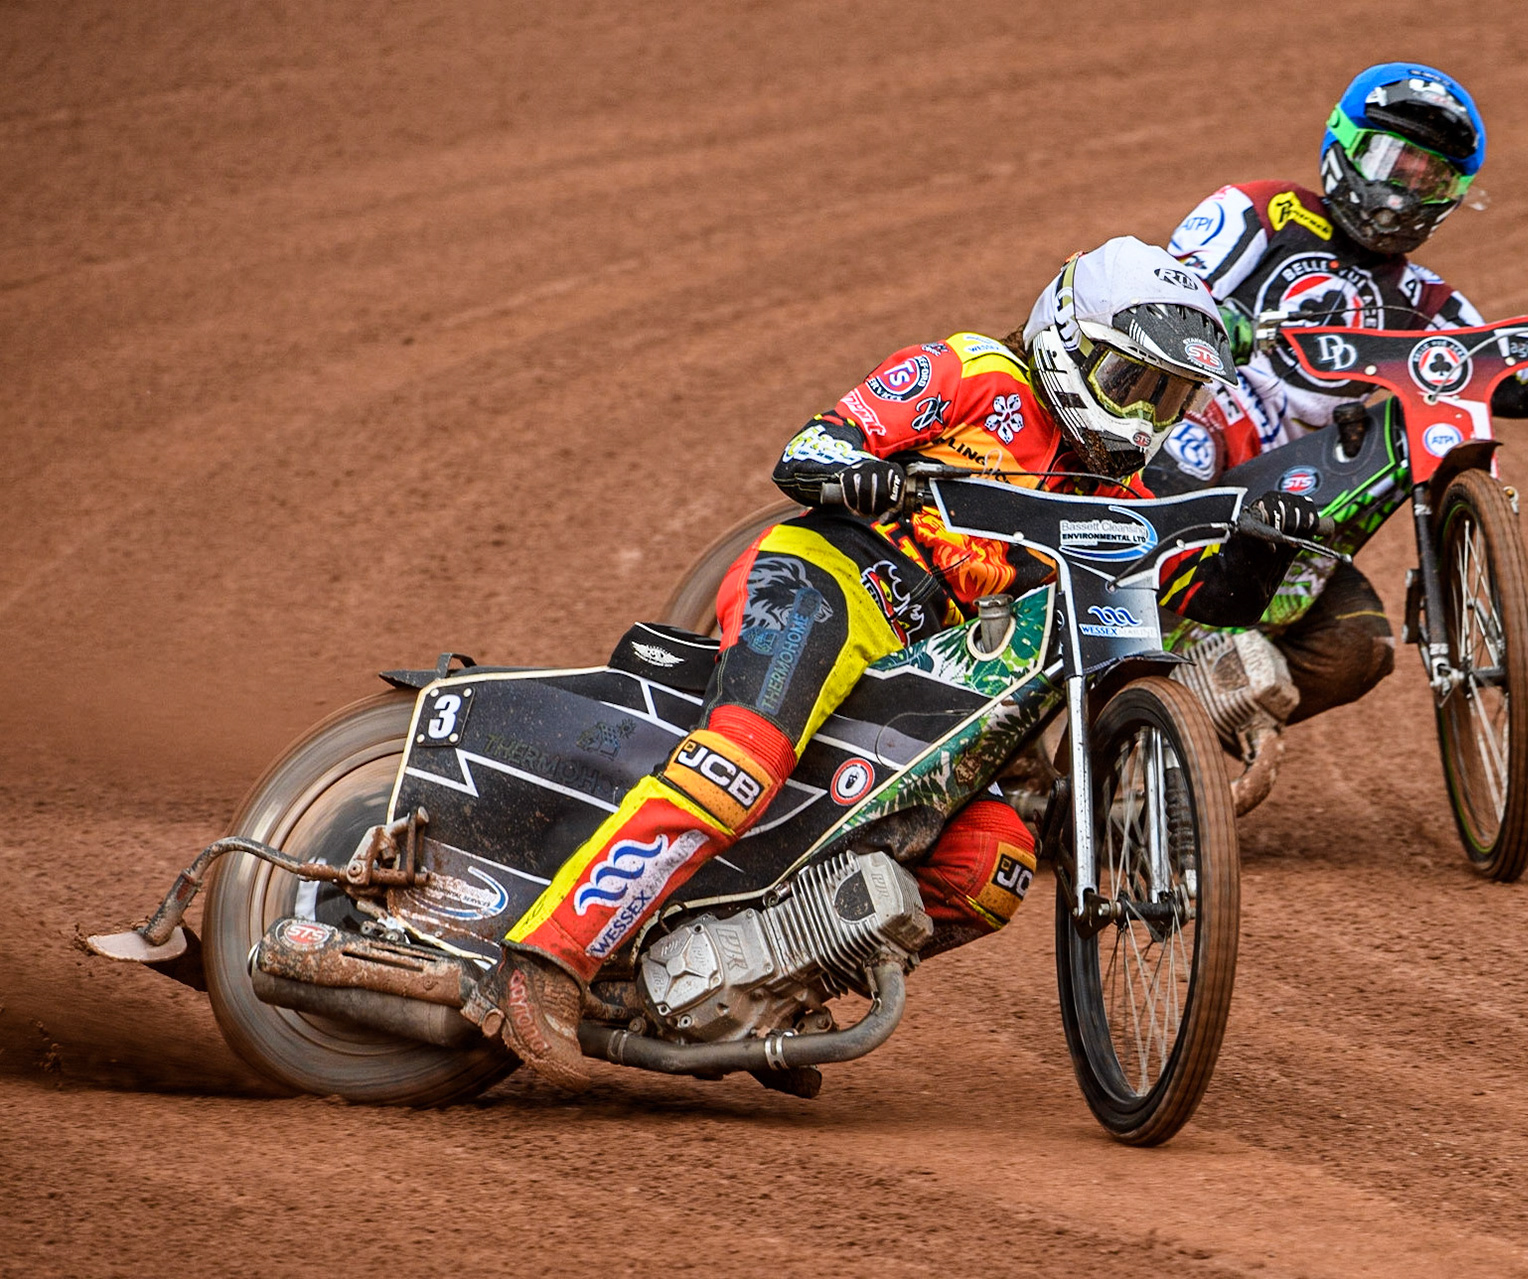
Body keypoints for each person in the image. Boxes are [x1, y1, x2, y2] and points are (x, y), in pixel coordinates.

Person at [475, 236, 1322, 1088]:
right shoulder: (978, 372)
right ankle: (546, 958)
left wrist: (1265, 549)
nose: (1145, 418)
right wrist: (860, 475)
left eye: (1171, 400)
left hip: (937, 675)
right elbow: (812, 447)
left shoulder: (1120, 497)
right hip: (831, 584)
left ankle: (773, 982)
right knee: (741, 761)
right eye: (1132, 384)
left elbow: (1209, 601)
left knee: (991, 864)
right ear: (1070, 338)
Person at [1149, 62, 1528, 747]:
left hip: (1299, 510)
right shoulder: (1259, 213)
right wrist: (1211, 319)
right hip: (1198, 458)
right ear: (1345, 145)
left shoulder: (1428, 300)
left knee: (1359, 647)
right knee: (1184, 442)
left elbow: (1510, 387)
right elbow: (1157, 298)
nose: (1404, 194)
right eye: (1394, 163)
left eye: (1432, 179)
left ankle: (1168, 752)